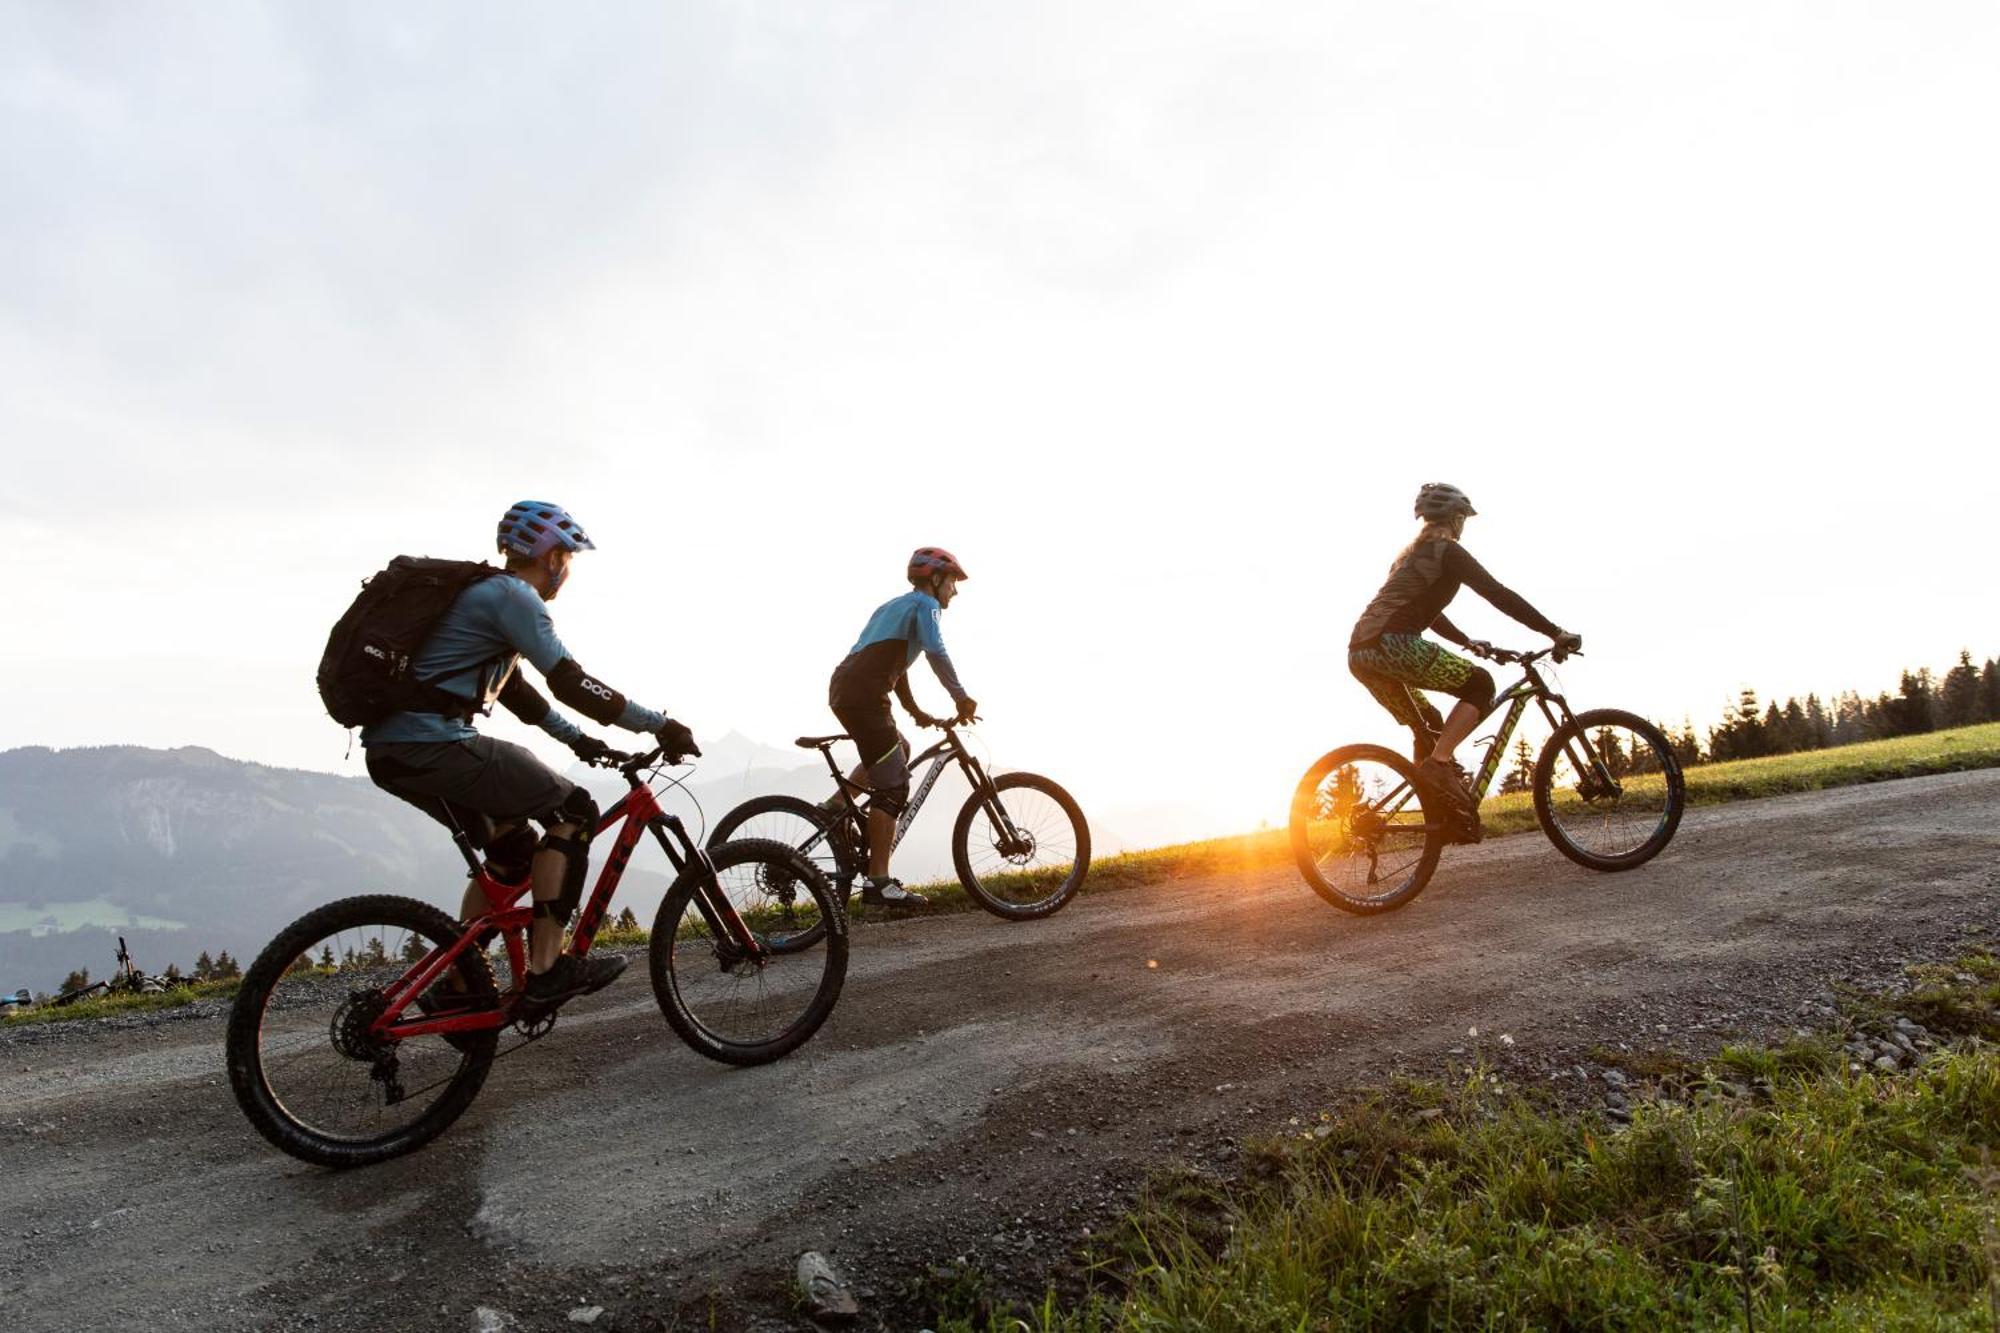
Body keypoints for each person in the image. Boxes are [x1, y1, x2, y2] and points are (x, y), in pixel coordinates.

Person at [361, 501, 699, 1014]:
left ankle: (460, 984)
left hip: (393, 751)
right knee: (575, 812)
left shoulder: (483, 599)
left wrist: (581, 743)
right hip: (433, 743)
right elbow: (571, 683)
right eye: (568, 559)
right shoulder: (513, 597)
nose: (567, 573)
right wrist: (661, 724)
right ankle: (549, 968)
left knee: (513, 852)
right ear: (554, 556)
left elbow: (524, 698)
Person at [1348, 483, 1581, 838]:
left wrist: (1467, 642)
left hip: (1361, 652)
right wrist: (1554, 632)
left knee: (1428, 723)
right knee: (1480, 684)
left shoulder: (1411, 554)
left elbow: (1425, 611)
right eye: (1463, 520)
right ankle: (1440, 766)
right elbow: (1498, 594)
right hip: (1393, 644)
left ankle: (1443, 820)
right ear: (1457, 519)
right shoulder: (1448, 550)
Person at [825, 547, 978, 909]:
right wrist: (961, 697)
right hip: (864, 695)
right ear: (936, 579)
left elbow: (894, 664)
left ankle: (831, 809)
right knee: (894, 787)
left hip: (847, 688)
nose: (954, 591)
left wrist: (915, 711)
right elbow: (936, 651)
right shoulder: (926, 607)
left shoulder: (894, 607)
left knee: (899, 749)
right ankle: (878, 882)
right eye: (953, 582)